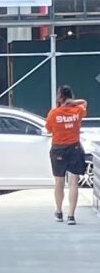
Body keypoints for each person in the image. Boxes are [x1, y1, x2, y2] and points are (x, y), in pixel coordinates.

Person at [45, 85, 88, 224]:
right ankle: (71, 216)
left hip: (58, 149)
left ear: (59, 96)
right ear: (70, 96)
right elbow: (84, 103)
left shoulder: (53, 113)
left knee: (59, 182)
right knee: (73, 182)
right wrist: (73, 103)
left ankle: (58, 212)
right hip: (74, 148)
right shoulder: (78, 110)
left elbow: (49, 130)